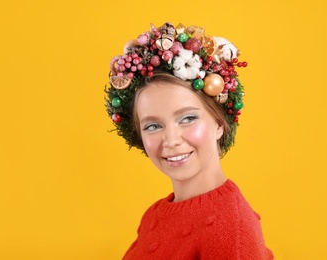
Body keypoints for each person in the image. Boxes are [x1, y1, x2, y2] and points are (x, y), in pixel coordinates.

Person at [105, 22, 274, 259]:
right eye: (153, 126)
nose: (171, 140)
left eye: (187, 118)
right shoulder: (153, 216)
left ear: (218, 123)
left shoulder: (231, 229)